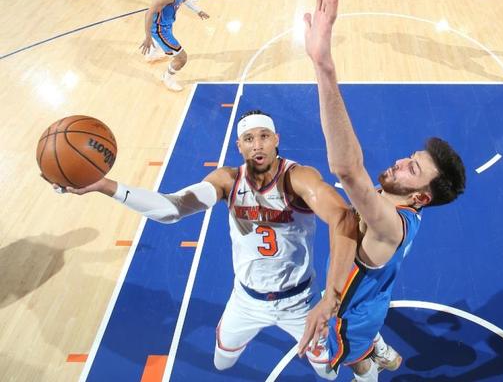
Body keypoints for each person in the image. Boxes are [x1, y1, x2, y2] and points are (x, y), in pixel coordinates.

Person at [53, 110, 354, 379]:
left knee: (327, 371)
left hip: (301, 300)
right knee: (222, 361)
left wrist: (332, 297)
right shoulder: (227, 180)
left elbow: (343, 219)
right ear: (239, 146)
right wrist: (105, 186)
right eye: (249, 138)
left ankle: (368, 350)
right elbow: (172, 208)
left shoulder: (297, 178)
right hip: (247, 300)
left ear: (276, 139)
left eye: (264, 136)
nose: (257, 145)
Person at [297, 0, 466, 381]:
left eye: (412, 168)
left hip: (351, 323)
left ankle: (368, 362)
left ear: (420, 197)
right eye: (410, 157)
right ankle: (380, 347)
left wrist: (324, 66)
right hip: (372, 299)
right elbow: (352, 208)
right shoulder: (394, 203)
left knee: (347, 365)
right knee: (369, 298)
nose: (399, 162)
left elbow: (347, 169)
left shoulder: (388, 224)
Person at [139, 0, 210, 92]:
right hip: (160, 29)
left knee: (162, 43)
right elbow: (149, 13)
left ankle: (151, 54)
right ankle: (168, 78)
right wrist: (148, 36)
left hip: (166, 23)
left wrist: (198, 11)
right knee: (182, 58)